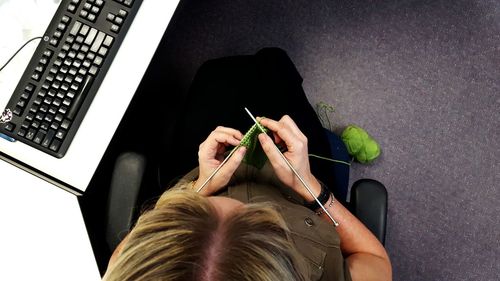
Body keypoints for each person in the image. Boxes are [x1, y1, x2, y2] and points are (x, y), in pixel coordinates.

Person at [103, 115, 391, 281]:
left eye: (185, 210)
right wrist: (311, 187)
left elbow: (120, 260)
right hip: (304, 187)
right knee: (277, 72)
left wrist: (200, 186)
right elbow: (375, 260)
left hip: (206, 165)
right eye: (263, 219)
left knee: (216, 75)